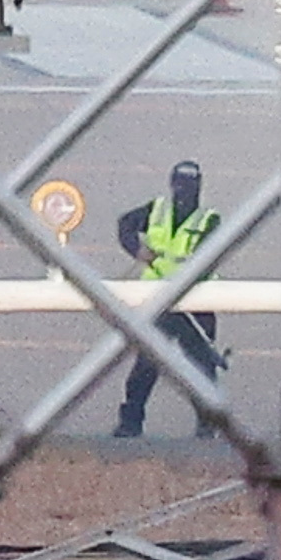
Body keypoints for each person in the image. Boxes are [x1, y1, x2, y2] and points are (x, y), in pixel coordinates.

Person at [112, 159, 221, 438]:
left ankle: (207, 426)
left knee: (200, 367)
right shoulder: (156, 210)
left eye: (191, 186)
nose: (185, 191)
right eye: (181, 185)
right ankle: (130, 423)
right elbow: (125, 224)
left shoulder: (210, 220)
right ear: (172, 184)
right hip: (157, 299)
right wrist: (137, 249)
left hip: (194, 304)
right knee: (146, 365)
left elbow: (209, 257)